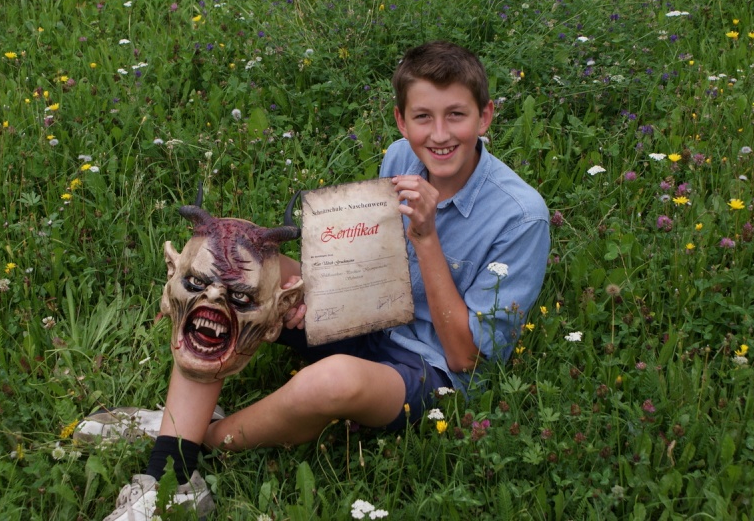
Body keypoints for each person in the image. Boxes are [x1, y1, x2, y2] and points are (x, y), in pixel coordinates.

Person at [77, 40, 550, 520]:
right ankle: (173, 461)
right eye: (423, 117)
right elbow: (375, 264)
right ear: (401, 121)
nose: (440, 134)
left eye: (457, 115)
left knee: (331, 380)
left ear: (485, 117)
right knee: (229, 262)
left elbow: (466, 356)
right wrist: (315, 297)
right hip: (372, 316)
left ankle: (192, 442)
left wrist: (426, 238)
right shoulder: (400, 157)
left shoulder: (521, 217)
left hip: (433, 372)